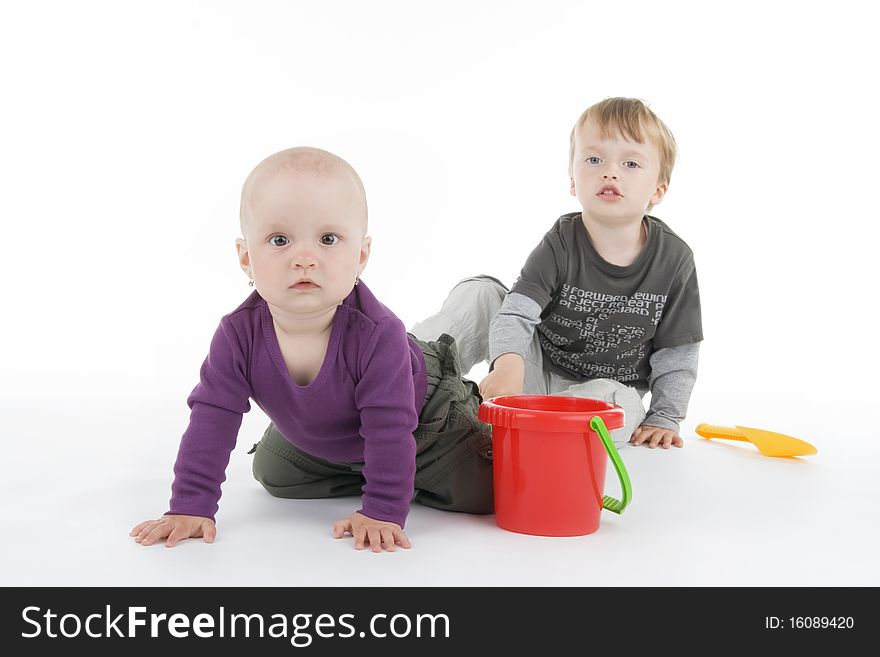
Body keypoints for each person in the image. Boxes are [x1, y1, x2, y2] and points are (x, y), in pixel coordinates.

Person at [130, 147, 492, 552]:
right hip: (335, 437)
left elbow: (390, 428)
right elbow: (212, 418)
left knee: (483, 494)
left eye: (328, 239)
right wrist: (191, 504)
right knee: (275, 474)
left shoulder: (378, 335)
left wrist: (383, 508)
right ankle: (383, 468)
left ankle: (486, 318)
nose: (304, 258)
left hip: (426, 416)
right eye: (280, 240)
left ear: (360, 255)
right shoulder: (237, 335)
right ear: (247, 258)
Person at [411, 97, 702, 449]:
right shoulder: (562, 241)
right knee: (483, 293)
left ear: (659, 188)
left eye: (630, 163)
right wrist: (508, 365)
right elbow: (517, 311)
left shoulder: (674, 259)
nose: (610, 171)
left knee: (617, 405)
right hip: (534, 375)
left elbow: (677, 351)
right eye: (594, 160)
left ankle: (523, 433)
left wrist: (665, 417)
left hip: (600, 396)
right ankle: (403, 369)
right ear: (573, 182)